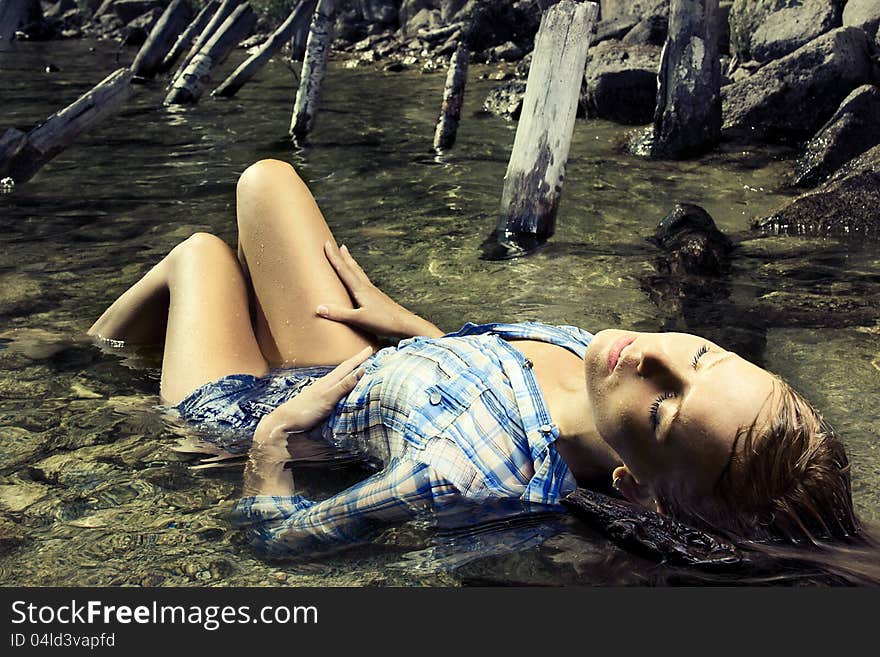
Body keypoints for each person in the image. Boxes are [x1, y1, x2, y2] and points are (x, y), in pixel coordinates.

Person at [89, 159, 875, 579]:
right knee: (266, 181)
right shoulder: (602, 368)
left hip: (253, 409)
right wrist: (418, 331)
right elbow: (491, 383)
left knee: (201, 257)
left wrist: (267, 443)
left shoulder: (465, 471)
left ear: (636, 487)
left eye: (665, 407)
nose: (651, 353)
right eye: (702, 353)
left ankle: (75, 359)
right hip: (364, 363)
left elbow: (278, 539)